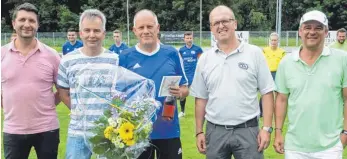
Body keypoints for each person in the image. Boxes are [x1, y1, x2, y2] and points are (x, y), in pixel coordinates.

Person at [190, 5, 275, 159]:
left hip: (248, 131)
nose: (221, 26)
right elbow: (200, 99)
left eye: (225, 21)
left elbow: (267, 92)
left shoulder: (254, 53)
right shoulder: (205, 59)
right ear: (211, 28)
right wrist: (199, 131)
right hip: (215, 132)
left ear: (235, 24)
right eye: (216, 23)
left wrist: (267, 128)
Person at [273, 10, 347, 159]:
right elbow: (281, 99)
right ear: (300, 31)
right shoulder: (286, 63)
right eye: (307, 27)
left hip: (330, 147)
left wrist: (345, 133)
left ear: (326, 32)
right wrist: (278, 132)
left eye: (318, 28)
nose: (312, 32)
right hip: (295, 147)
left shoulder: (342, 59)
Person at [119, 9, 189, 159]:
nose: (146, 31)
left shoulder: (172, 53)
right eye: (141, 27)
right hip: (137, 132)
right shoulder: (125, 57)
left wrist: (181, 93)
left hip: (168, 130)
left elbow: (185, 87)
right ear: (134, 31)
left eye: (150, 27)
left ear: (157, 28)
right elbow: (118, 95)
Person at [1, 3, 61, 159]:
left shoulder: (52, 55)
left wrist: (46, 104)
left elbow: (62, 89)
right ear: (14, 23)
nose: (26, 24)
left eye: (31, 21)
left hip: (47, 129)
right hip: (13, 130)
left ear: (37, 25)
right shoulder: (1, 55)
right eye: (22, 20)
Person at [57, 9, 119, 159]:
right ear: (81, 33)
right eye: (87, 30)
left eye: (96, 30)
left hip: (108, 131)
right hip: (77, 131)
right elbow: (62, 91)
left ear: (104, 33)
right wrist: (77, 110)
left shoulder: (115, 60)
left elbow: (120, 95)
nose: (92, 35)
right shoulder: (67, 60)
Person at [259, 32, 285, 116]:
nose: (273, 42)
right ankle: (262, 112)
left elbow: (284, 65)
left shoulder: (282, 52)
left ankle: (277, 111)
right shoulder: (264, 51)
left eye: (275, 40)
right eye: (272, 40)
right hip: (267, 73)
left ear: (278, 41)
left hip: (278, 74)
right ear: (269, 41)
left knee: (278, 94)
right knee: (265, 93)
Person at [178, 31, 203, 118]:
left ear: (192, 38)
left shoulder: (197, 49)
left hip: (195, 76)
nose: (189, 40)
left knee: (199, 95)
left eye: (190, 38)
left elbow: (202, 62)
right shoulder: (181, 50)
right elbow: (180, 62)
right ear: (184, 39)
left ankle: (200, 112)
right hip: (185, 76)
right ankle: (182, 111)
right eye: (187, 38)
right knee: (183, 94)